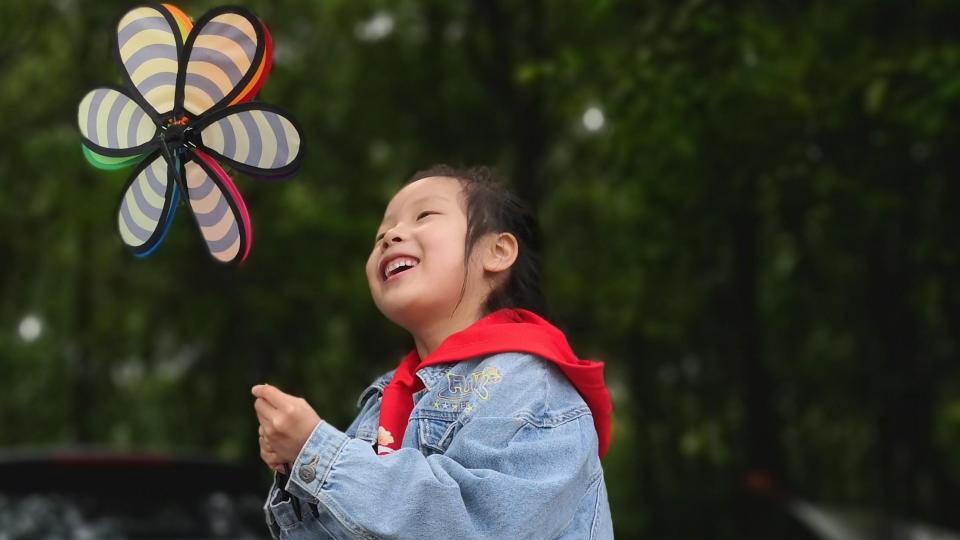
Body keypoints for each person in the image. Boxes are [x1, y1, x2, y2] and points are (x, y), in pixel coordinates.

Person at [252, 165, 614, 539]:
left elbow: (477, 525)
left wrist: (321, 454)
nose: (391, 235)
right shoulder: (384, 399)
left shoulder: (530, 385)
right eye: (381, 234)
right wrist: (297, 468)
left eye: (424, 215)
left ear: (498, 251)